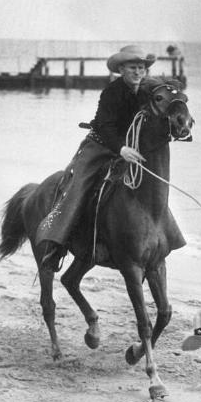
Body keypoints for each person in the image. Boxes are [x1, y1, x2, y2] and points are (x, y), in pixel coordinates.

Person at [36, 45, 156, 271]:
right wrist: (121, 148)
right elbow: (103, 126)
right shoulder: (111, 92)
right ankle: (57, 244)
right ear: (122, 69)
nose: (138, 72)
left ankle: (161, 238)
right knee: (79, 187)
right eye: (132, 67)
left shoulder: (149, 90)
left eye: (141, 68)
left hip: (133, 148)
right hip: (101, 147)